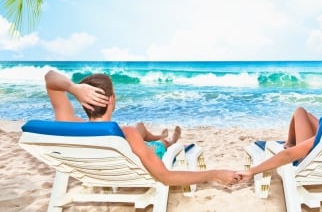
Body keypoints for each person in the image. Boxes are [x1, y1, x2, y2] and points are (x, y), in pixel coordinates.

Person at [44, 69, 240, 186]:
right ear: (112, 100)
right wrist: (213, 174)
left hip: (98, 169)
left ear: (82, 102)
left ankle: (159, 137)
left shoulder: (70, 126)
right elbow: (165, 177)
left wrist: (73, 88)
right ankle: (168, 140)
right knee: (157, 144)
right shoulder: (126, 133)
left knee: (139, 128)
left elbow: (50, 78)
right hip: (134, 162)